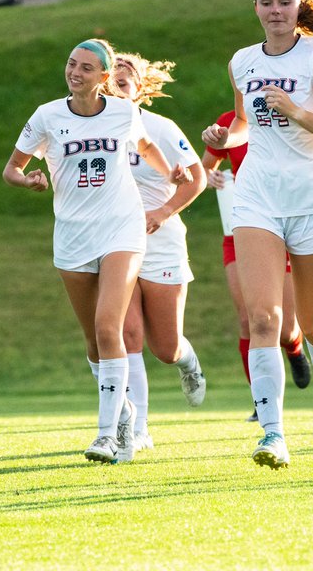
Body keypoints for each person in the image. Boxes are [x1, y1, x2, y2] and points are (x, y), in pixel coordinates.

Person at [202, 0, 313, 469]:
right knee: (265, 318)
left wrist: (296, 111)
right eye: (266, 2)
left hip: (312, 199)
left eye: (283, 3)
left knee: (312, 325)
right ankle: (272, 434)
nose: (274, 11)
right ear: (255, 8)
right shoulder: (242, 62)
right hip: (256, 199)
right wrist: (223, 140)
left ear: (298, 6)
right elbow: (245, 125)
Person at [4, 39, 187, 464]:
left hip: (121, 230)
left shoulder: (124, 112)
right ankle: (122, 409)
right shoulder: (47, 116)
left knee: (110, 327)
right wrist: (28, 181)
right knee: (93, 341)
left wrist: (170, 173)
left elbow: (144, 146)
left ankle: (107, 435)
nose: (75, 72)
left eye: (87, 68)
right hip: (72, 237)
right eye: (71, 64)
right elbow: (11, 168)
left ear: (104, 78)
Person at [113, 52, 208, 450]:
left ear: (139, 88)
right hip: (116, 242)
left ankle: (188, 363)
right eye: (108, 82)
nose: (114, 89)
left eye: (122, 82)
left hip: (162, 241)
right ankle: (139, 429)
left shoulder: (160, 128)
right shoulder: (91, 130)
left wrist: (164, 210)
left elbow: (197, 178)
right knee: (128, 334)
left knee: (165, 347)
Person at [201, 108, 313, 421]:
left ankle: (293, 348)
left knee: (286, 328)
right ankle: (261, 400)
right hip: (243, 229)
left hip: (287, 225)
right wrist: (208, 175)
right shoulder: (228, 121)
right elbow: (206, 166)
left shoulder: (290, 113)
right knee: (250, 319)